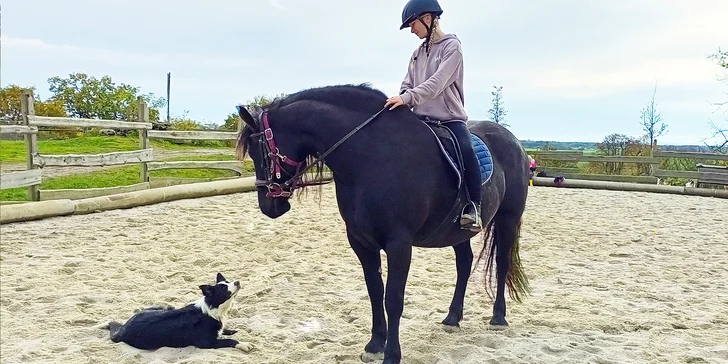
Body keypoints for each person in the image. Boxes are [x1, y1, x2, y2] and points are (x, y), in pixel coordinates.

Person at [384, 0, 482, 233]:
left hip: (449, 119)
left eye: (412, 24)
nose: (411, 29)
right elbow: (407, 83)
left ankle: (473, 207)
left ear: (428, 18)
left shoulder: (452, 47)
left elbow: (437, 84)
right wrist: (402, 97)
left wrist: (408, 98)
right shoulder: (417, 54)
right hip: (420, 118)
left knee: (467, 150)